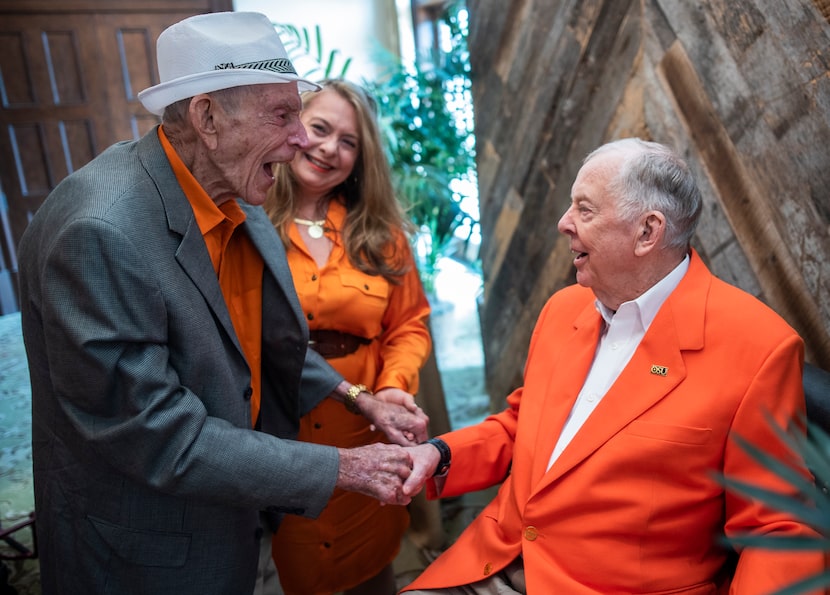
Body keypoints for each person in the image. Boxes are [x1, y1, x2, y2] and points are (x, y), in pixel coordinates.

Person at [16, 12, 429, 595]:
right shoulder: (100, 232)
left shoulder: (238, 198)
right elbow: (157, 433)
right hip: (148, 555)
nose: (300, 139)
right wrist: (343, 466)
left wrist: (357, 397)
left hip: (237, 524)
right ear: (206, 116)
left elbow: (260, 338)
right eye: (282, 116)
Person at [400, 138, 825, 594]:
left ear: (647, 232)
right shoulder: (563, 309)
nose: (564, 223)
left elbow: (778, 529)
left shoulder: (758, 348)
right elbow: (524, 427)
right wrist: (441, 454)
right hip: (492, 561)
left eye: (585, 210)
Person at [262, 79, 432, 595]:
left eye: (349, 142)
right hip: (278, 439)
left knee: (369, 568)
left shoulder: (381, 232)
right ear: (292, 128)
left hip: (365, 433)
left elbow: (409, 324)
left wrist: (394, 385)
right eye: (319, 128)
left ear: (361, 159)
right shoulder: (246, 222)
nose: (329, 148)